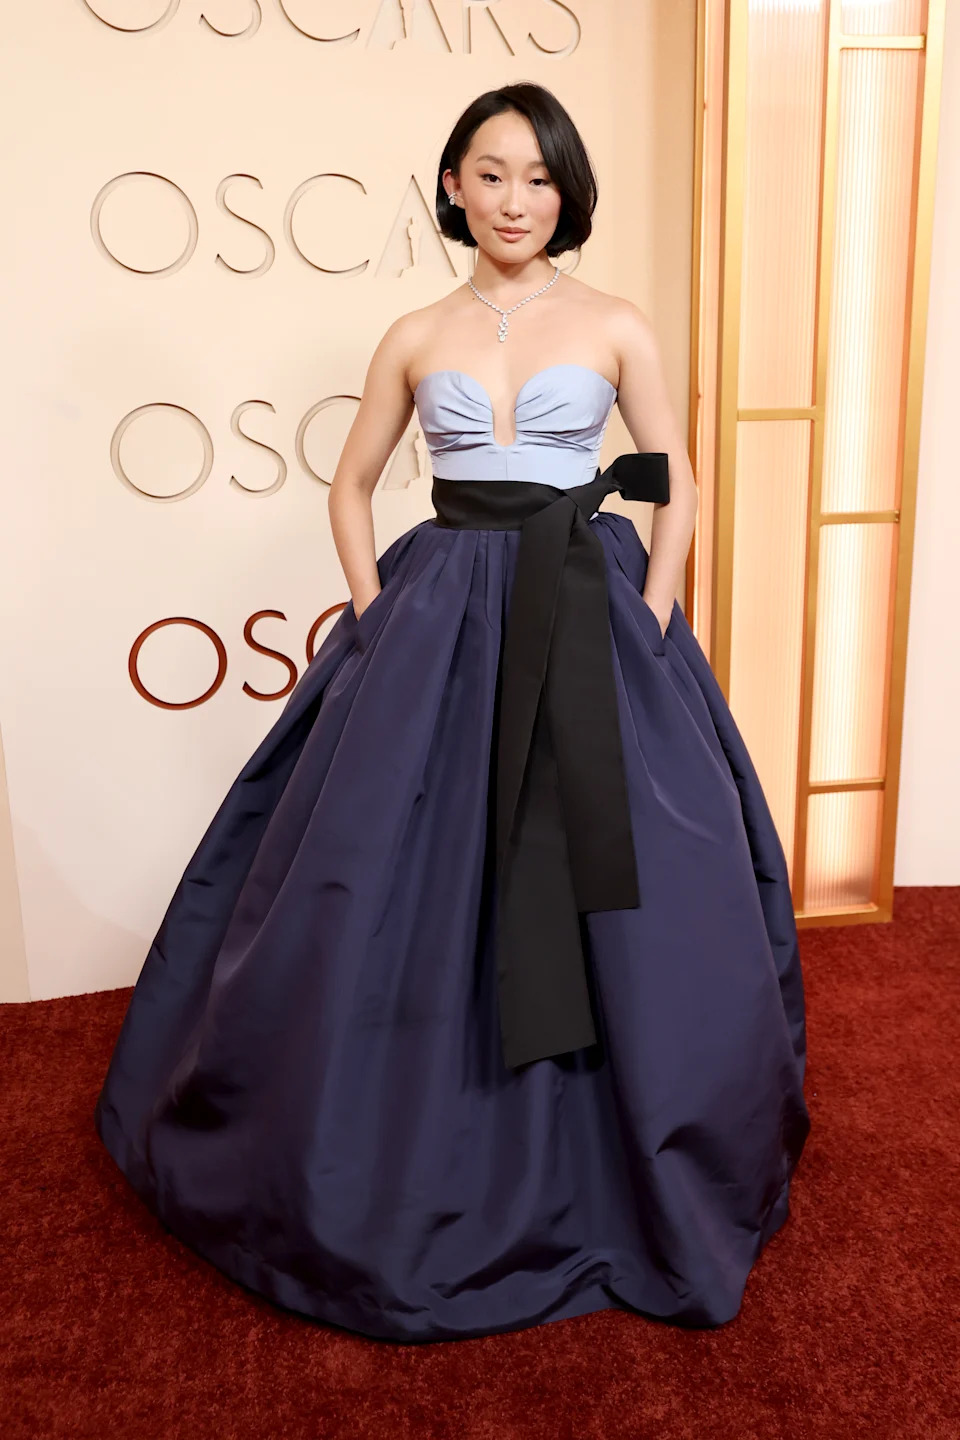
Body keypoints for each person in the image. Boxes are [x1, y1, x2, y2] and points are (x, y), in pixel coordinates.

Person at [95, 82, 810, 1343]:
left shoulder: (616, 321)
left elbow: (673, 475)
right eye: (491, 174)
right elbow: (357, 479)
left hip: (588, 603)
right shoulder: (416, 331)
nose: (515, 199)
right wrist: (375, 610)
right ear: (452, 187)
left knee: (631, 877)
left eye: (537, 178)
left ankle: (622, 1150)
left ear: (566, 190)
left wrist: (657, 609)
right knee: (388, 875)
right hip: (441, 609)